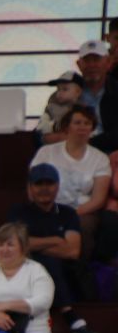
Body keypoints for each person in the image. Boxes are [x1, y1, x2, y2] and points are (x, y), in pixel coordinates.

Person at [8, 163, 90, 333]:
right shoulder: (18, 212)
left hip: (66, 275)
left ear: (58, 186)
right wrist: (54, 240)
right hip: (28, 275)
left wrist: (33, 246)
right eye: (39, 184)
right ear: (30, 187)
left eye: (49, 183)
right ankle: (72, 320)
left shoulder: (68, 213)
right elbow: (16, 245)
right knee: (44, 262)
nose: (44, 188)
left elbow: (72, 251)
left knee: (47, 262)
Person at [31, 105, 111, 259]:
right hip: (47, 207)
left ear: (92, 128)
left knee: (83, 227)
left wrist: (71, 214)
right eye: (77, 122)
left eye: (87, 123)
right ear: (67, 126)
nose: (82, 127)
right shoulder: (46, 152)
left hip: (81, 211)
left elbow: (98, 199)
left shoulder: (100, 158)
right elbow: (32, 186)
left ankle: (80, 269)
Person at [43, 42, 112, 147]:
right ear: (79, 64)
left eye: (96, 60)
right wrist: (48, 137)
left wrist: (85, 141)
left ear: (108, 63)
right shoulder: (62, 94)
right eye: (87, 60)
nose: (92, 65)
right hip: (68, 149)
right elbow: (42, 129)